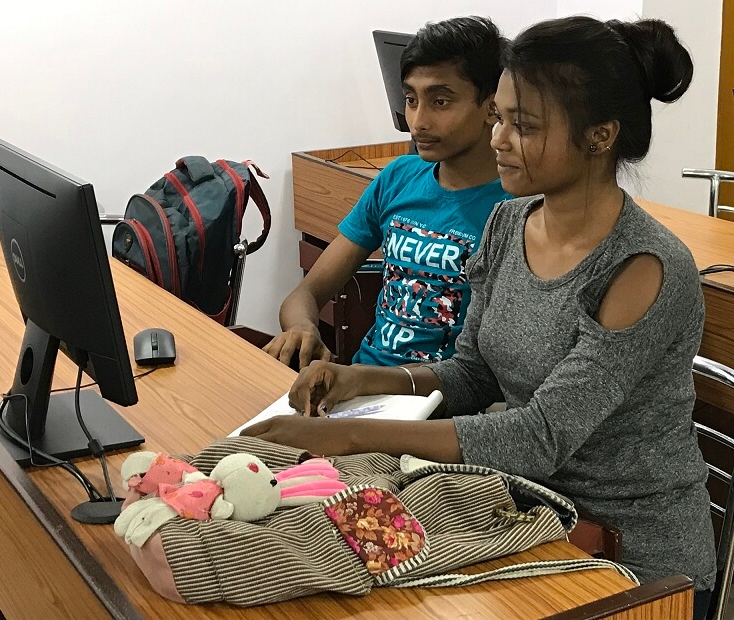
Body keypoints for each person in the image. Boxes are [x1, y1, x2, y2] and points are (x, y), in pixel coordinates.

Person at [245, 15, 717, 617]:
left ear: (600, 136)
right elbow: (473, 373)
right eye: (499, 117)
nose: (498, 139)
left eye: (522, 126)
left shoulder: (644, 267)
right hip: (526, 512)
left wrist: (341, 433)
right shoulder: (509, 224)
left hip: (632, 561)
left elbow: (537, 436)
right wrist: (360, 381)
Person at [263, 16, 512, 368]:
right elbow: (305, 292)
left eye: (440, 102)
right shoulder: (398, 177)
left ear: (491, 107)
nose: (418, 121)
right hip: (361, 385)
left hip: (442, 406)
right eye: (411, 100)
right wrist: (303, 329)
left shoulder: (516, 207)